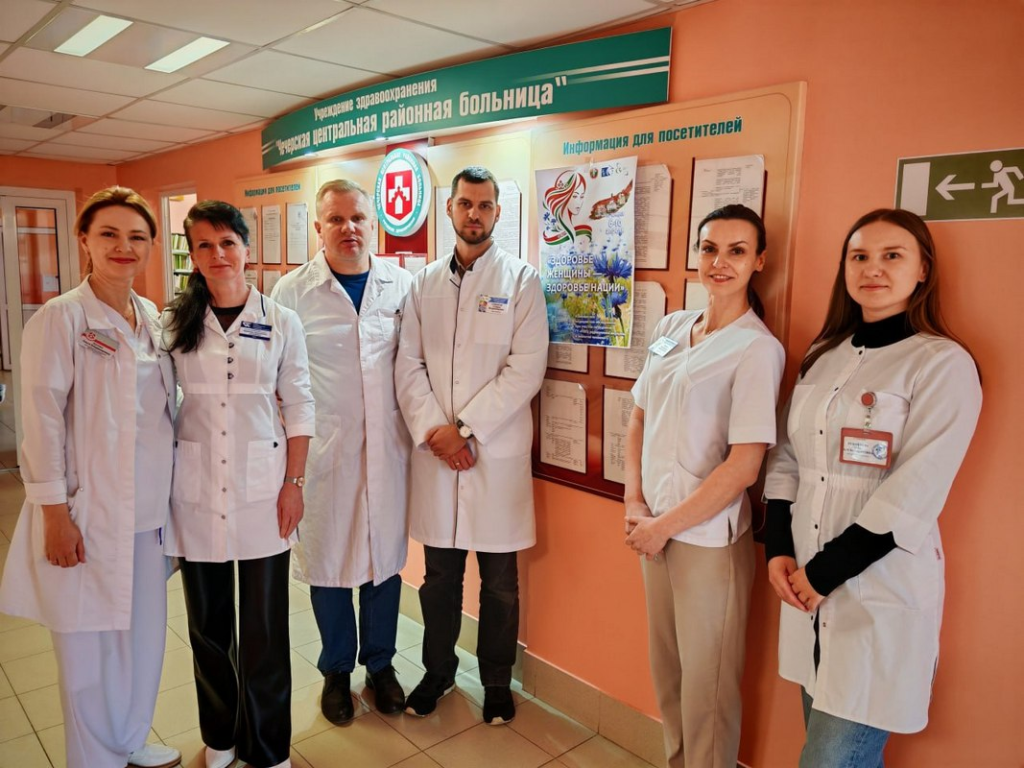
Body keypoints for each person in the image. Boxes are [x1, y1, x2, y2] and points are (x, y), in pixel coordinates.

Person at [764, 209, 982, 767]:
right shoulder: (824, 356)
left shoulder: (941, 363)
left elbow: (916, 487)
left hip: (876, 587)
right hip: (805, 580)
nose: (872, 269)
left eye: (892, 256)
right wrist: (779, 548)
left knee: (831, 760)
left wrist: (826, 573)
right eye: (859, 256)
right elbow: (787, 456)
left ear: (923, 269)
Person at [0, 187, 181, 768]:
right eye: (109, 234)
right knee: (85, 647)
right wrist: (54, 514)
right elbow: (40, 423)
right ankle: (93, 758)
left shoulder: (152, 317)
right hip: (87, 510)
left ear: (151, 245)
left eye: (137, 237)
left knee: (142, 636)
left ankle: (130, 738)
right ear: (84, 240)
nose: (124, 247)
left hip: (149, 513)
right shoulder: (61, 317)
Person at [624, 204, 784, 768]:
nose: (720, 262)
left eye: (737, 251)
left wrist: (662, 526)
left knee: (707, 689)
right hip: (653, 528)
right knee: (668, 672)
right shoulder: (671, 328)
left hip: (708, 541)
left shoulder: (757, 349)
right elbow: (638, 415)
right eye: (710, 248)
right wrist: (634, 501)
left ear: (758, 261)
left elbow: (744, 467)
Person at [162, 201, 314, 768]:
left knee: (265, 630)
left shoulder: (281, 320)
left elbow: (300, 405)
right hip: (196, 491)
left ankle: (267, 747)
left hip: (264, 490)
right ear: (193, 255)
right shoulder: (174, 322)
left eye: (227, 242)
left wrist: (294, 482)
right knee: (208, 628)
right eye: (204, 244)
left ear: (247, 249)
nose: (218, 254)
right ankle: (220, 737)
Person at [396, 165, 549, 725]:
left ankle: (496, 682)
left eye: (484, 205)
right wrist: (436, 431)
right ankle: (437, 672)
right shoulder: (423, 284)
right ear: (450, 209)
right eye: (465, 204)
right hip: (439, 456)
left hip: (493, 454)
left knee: (501, 585)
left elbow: (526, 368)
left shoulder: (522, 281)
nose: (474, 214)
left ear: (497, 213)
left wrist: (464, 429)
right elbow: (407, 364)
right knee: (439, 579)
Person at [271, 179, 412, 724]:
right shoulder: (291, 293)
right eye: (336, 219)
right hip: (324, 454)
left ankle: (381, 666)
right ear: (318, 228)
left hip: (387, 451)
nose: (348, 228)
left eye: (357, 218)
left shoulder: (401, 285)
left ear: (372, 224)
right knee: (328, 564)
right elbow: (277, 379)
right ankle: (336, 670)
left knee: (384, 564)